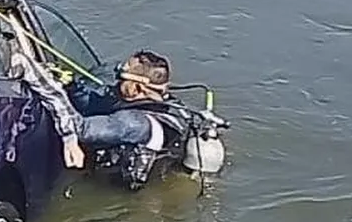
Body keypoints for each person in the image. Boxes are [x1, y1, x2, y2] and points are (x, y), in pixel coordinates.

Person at [12, 49, 227, 191]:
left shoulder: (133, 123)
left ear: (138, 87)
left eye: (121, 76)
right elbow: (95, 101)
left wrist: (46, 85)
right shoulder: (165, 104)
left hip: (121, 189)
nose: (116, 80)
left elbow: (78, 128)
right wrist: (73, 86)